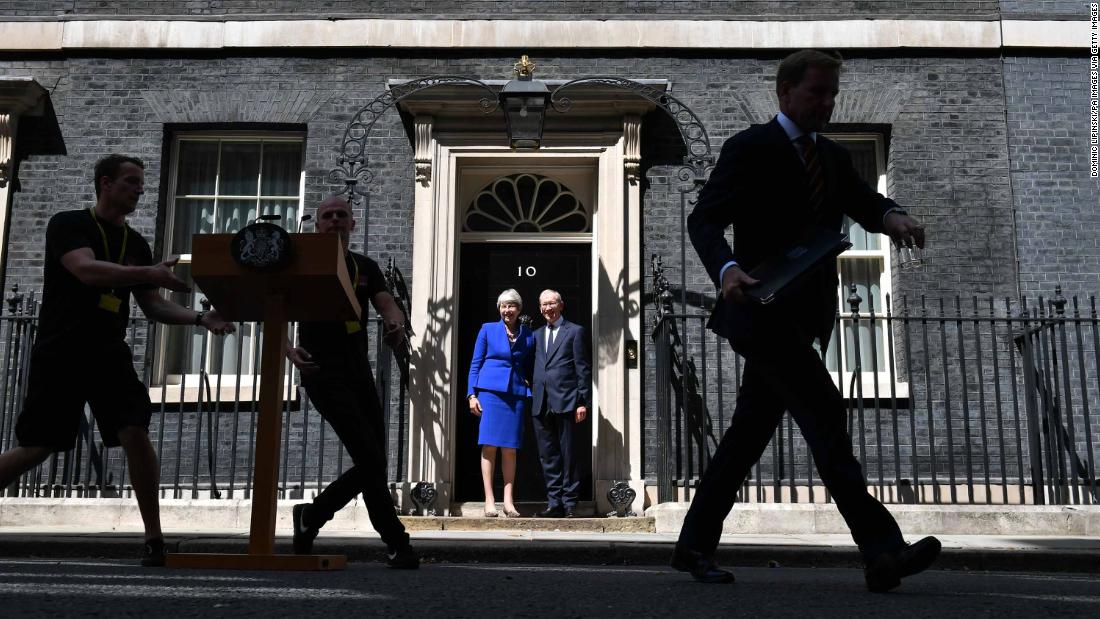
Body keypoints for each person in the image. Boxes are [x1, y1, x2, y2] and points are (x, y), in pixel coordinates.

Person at [674, 49, 939, 592]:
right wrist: (726, 269)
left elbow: (866, 202)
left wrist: (896, 220)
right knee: (827, 424)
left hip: (804, 319)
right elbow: (703, 220)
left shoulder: (835, 158)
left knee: (746, 438)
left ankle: (694, 546)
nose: (827, 103)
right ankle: (882, 550)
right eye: (818, 92)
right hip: (763, 314)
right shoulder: (749, 148)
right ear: (786, 93)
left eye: (832, 94)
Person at [0, 154, 235, 567]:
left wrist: (200, 318)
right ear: (105, 183)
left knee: (135, 431)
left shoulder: (137, 244)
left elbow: (155, 307)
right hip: (62, 351)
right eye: (131, 181)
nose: (139, 189)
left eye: (141, 183)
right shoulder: (69, 224)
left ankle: (153, 537)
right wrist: (146, 274)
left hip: (109, 353)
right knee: (38, 447)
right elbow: (86, 270)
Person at [286, 196, 418, 568]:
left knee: (372, 458)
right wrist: (286, 349)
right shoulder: (302, 265)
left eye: (342, 215)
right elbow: (273, 306)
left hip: (358, 369)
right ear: (318, 226)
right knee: (371, 457)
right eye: (327, 216)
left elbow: (386, 302)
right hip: (320, 369)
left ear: (353, 224)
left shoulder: (365, 266)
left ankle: (313, 517)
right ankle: (396, 541)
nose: (334, 220)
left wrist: (395, 324)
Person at [467, 289, 535, 518]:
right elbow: (475, 364)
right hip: (490, 393)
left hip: (515, 394)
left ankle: (508, 501)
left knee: (510, 448)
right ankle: (489, 500)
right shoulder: (487, 329)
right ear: (499, 308)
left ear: (519, 309)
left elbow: (530, 363)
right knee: (489, 446)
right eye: (504, 306)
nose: (508, 310)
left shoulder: (528, 334)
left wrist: (528, 381)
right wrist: (471, 395)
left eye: (512, 306)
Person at [530, 290, 590, 518]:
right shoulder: (535, 335)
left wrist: (582, 402)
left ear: (561, 305)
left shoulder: (575, 332)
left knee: (569, 455)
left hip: (568, 401)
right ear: (540, 308)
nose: (548, 308)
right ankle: (554, 502)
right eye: (544, 304)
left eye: (552, 303)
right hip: (541, 403)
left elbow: (582, 368)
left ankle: (570, 503)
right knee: (548, 456)